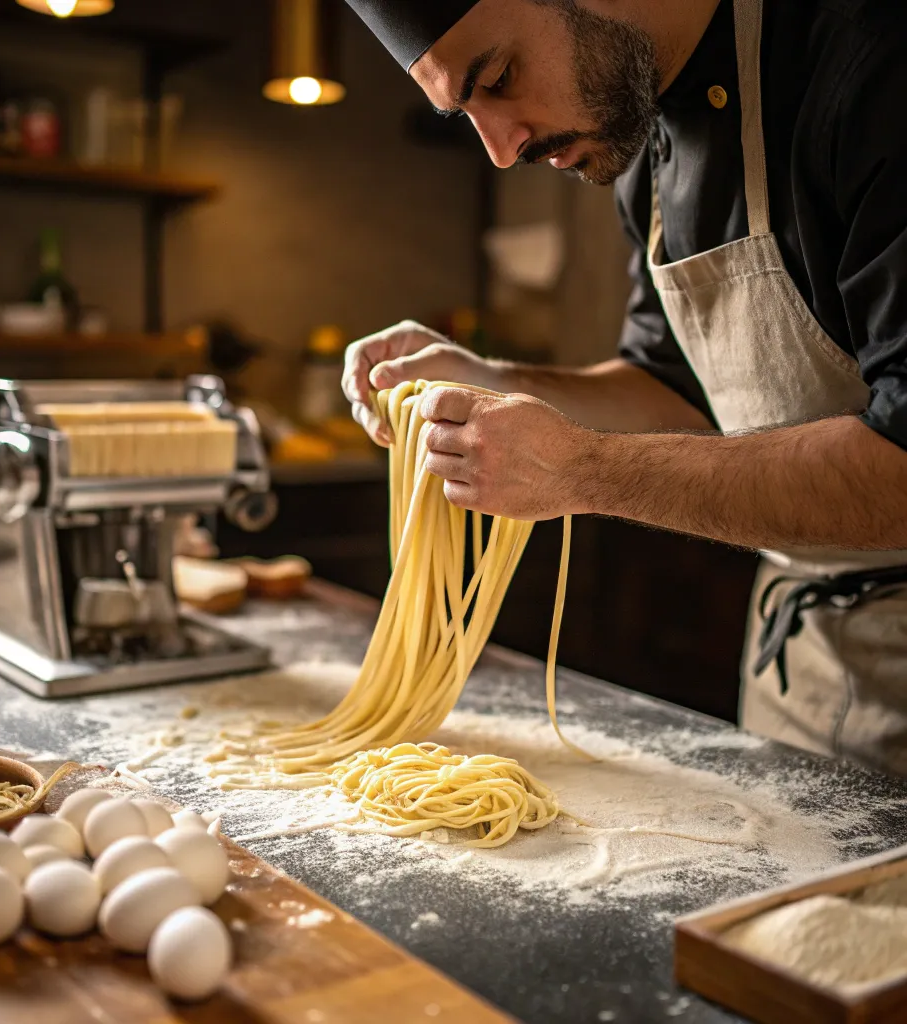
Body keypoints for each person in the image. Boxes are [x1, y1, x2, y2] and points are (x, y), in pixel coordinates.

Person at [341, 0, 907, 776]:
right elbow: (678, 392)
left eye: (501, 77)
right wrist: (485, 380)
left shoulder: (872, 65)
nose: (502, 150)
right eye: (466, 113)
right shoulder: (641, 136)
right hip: (803, 666)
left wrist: (583, 471)